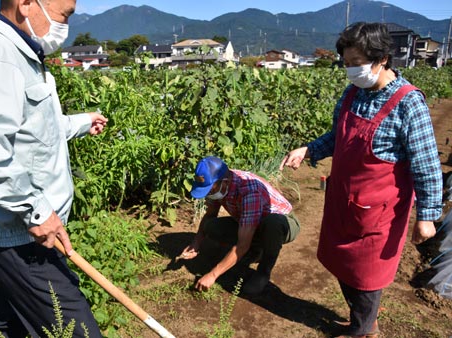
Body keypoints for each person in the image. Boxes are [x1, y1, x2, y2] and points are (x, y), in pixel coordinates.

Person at [0, 0, 107, 337]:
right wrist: (36, 210)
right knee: (77, 329)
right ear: (27, 4)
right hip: (21, 235)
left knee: (9, 323)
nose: (64, 25)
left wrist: (82, 122)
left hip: (28, 230)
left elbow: (34, 128)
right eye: (63, 14)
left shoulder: (20, 53)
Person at [280, 22, 442, 338]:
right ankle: (365, 320)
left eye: (357, 63)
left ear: (381, 59)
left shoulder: (408, 103)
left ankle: (363, 330)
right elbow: (338, 137)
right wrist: (309, 149)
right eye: (347, 63)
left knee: (367, 276)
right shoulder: (353, 93)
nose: (351, 70)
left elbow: (426, 164)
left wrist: (427, 216)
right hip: (343, 200)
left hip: (378, 211)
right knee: (341, 263)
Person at [180, 156, 300, 296]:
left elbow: (241, 245)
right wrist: (196, 243)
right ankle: (256, 250)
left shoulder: (249, 191)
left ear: (224, 182)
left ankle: (263, 272)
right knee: (211, 226)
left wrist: (213, 275)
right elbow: (210, 215)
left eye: (210, 190)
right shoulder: (218, 185)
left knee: (272, 224)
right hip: (250, 221)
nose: (209, 194)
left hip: (284, 222)